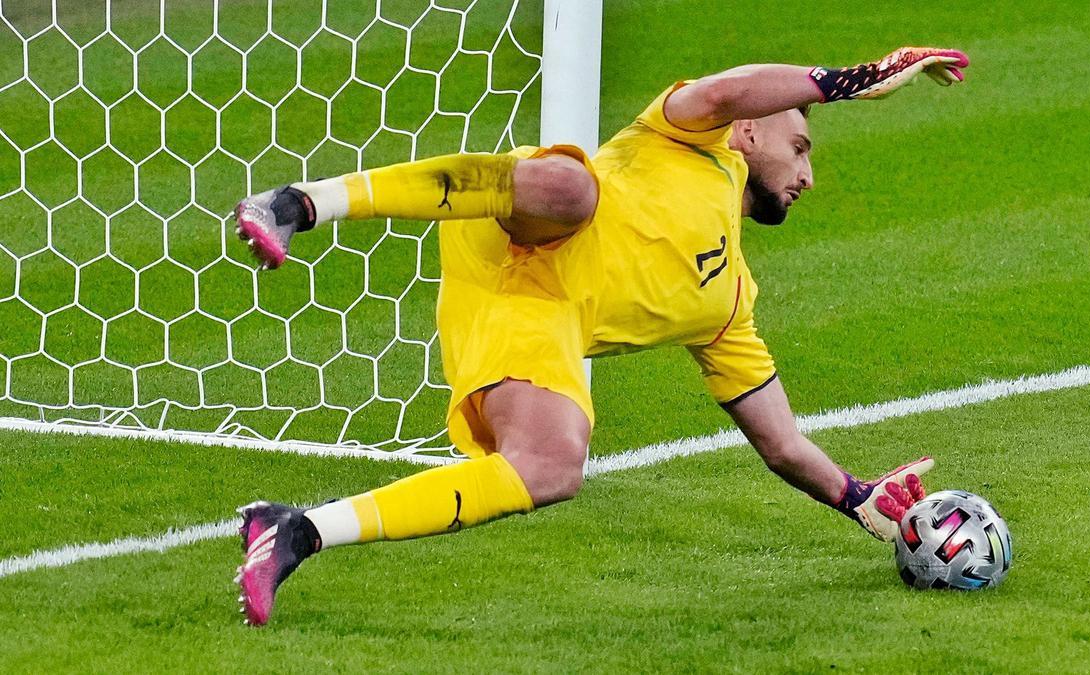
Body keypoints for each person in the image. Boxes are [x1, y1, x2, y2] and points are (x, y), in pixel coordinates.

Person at [232, 47, 970, 626]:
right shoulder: (689, 135)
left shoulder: (728, 304)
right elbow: (721, 90)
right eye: (801, 146)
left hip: (527, 313)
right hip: (520, 219)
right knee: (575, 188)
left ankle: (296, 531)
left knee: (553, 467)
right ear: (751, 130)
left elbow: (780, 441)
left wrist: (856, 496)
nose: (809, 172)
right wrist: (846, 80)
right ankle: (299, 202)